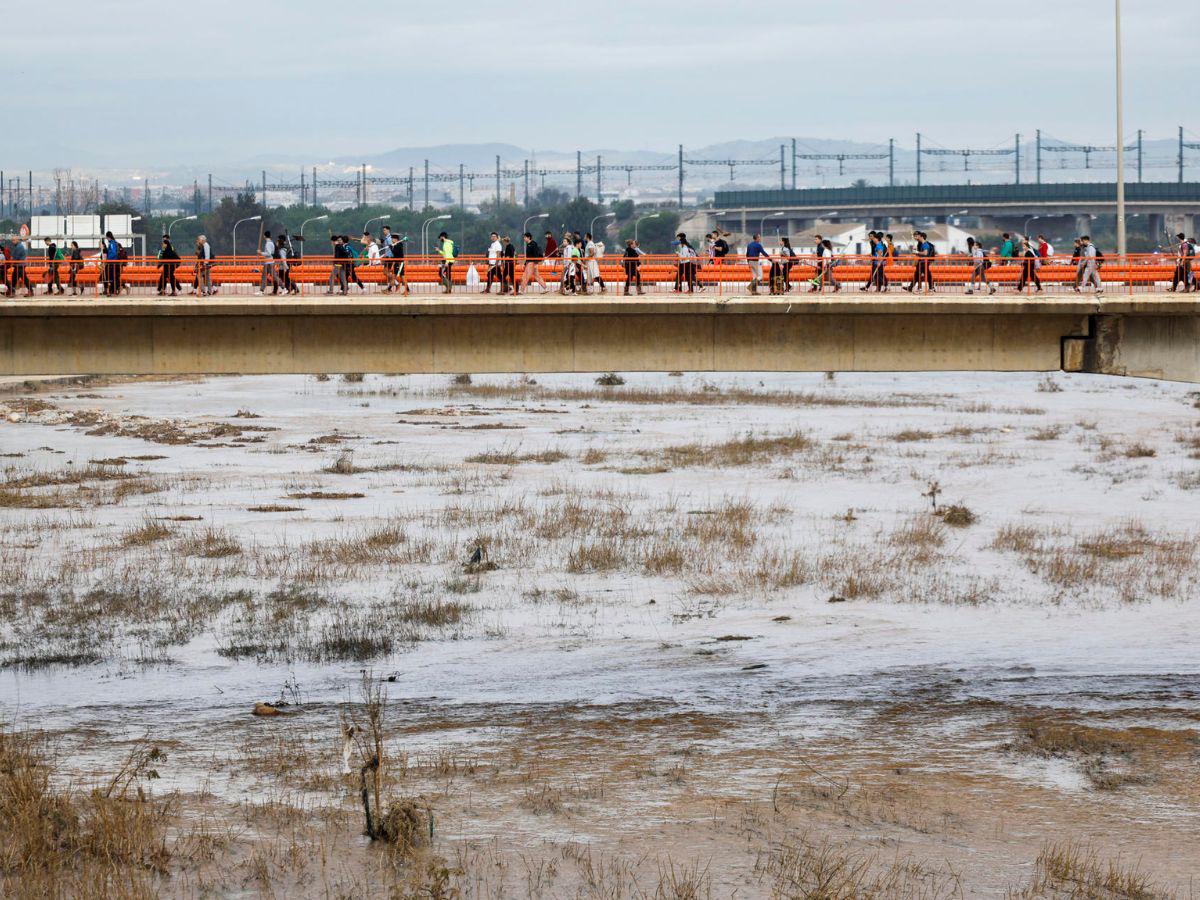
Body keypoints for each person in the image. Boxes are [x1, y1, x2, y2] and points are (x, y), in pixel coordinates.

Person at [257, 230, 282, 295]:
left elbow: (269, 253)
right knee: (267, 276)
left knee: (272, 276)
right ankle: (261, 290)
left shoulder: (268, 243)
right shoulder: (271, 243)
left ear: (264, 236)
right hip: (269, 262)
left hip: (269, 262)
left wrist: (260, 253)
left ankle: (284, 287)